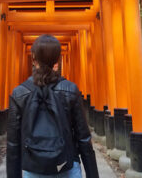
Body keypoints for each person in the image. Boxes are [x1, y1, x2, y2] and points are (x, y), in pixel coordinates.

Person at [7, 34, 99, 178]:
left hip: (33, 167)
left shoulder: (19, 93)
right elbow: (83, 138)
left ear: (33, 59)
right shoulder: (70, 90)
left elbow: (13, 143)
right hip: (66, 165)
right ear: (57, 60)